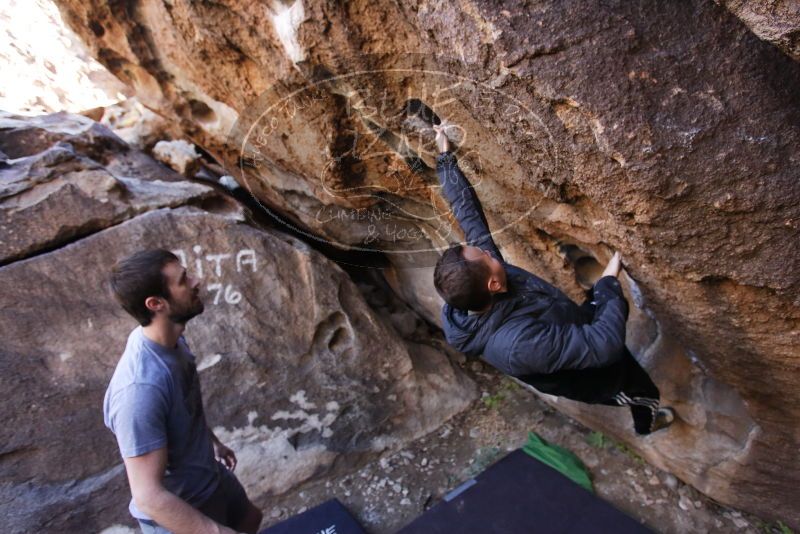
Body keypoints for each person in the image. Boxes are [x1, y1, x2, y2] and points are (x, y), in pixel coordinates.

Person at [431, 124, 674, 435]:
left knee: (596, 320)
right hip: (598, 377)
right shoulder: (518, 345)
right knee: (643, 392)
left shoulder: (480, 285)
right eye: (487, 257)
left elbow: (468, 217)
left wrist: (445, 158)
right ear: (492, 284)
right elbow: (605, 344)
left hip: (567, 324)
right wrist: (609, 283)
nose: (489, 251)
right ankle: (646, 423)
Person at [105, 249, 263, 534]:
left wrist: (211, 440)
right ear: (156, 304)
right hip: (180, 508)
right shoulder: (139, 391)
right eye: (183, 280)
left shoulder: (173, 339)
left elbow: (182, 404)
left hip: (207, 475)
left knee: (250, 520)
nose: (196, 281)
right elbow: (148, 496)